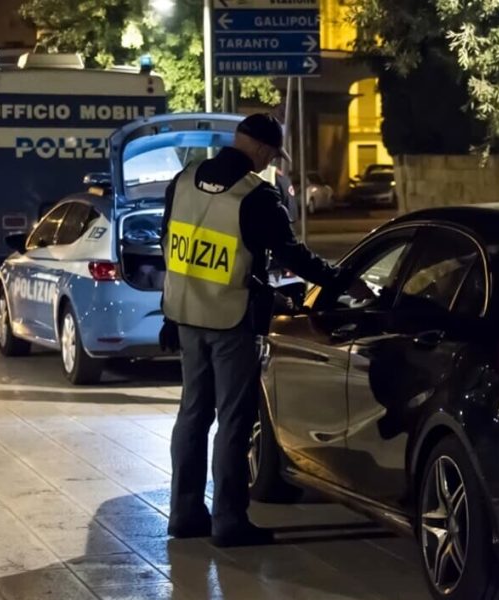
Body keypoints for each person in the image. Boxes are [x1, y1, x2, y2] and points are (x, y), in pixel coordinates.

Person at [158, 113, 372, 547]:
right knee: (234, 421)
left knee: (192, 415)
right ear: (258, 147)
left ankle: (184, 515)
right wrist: (341, 279)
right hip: (229, 319)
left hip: (184, 315)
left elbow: (168, 242)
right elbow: (292, 254)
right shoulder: (255, 196)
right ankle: (230, 522)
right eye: (272, 153)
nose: (271, 161)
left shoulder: (184, 180)